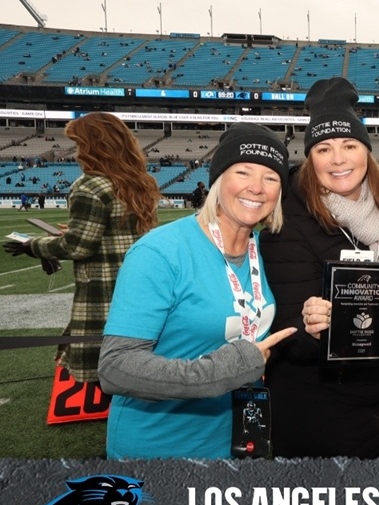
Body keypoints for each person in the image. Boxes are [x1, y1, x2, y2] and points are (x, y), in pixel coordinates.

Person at [96, 122, 297, 460]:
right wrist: (223, 371)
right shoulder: (161, 252)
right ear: (218, 180)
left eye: (271, 177)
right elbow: (115, 368)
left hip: (237, 443)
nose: (257, 187)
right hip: (158, 449)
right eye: (243, 172)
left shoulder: (266, 251)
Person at [258, 77, 379, 459]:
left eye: (349, 145)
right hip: (316, 407)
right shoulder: (288, 222)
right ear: (310, 157)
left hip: (373, 396)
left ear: (366, 152)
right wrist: (315, 326)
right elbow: (290, 334)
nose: (338, 159)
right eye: (324, 148)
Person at [3, 112, 163, 383]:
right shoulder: (140, 180)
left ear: (93, 145)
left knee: (105, 371)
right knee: (136, 367)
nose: (76, 152)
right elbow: (123, 231)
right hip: (140, 283)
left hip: (103, 289)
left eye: (79, 144)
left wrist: (34, 246)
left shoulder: (89, 186)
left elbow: (78, 247)